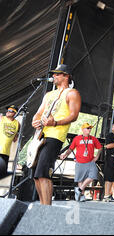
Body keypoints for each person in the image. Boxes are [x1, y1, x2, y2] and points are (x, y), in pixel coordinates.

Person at [31, 64, 81, 205]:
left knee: (44, 173)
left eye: (57, 74)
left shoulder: (72, 93)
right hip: (40, 136)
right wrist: (35, 121)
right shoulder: (49, 95)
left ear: (66, 76)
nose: (54, 76)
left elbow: (74, 115)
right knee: (35, 175)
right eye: (53, 74)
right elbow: (38, 113)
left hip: (55, 136)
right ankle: (42, 206)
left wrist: (55, 123)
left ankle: (47, 209)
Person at [59, 122, 102, 202]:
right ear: (83, 129)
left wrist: (97, 156)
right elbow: (71, 148)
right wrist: (65, 154)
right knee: (80, 180)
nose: (89, 129)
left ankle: (80, 189)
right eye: (87, 128)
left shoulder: (93, 139)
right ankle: (80, 196)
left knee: (93, 174)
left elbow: (100, 148)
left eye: (90, 128)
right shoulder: (77, 138)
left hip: (90, 161)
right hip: (80, 162)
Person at [0, 105, 21, 178]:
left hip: (6, 152)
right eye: (8, 110)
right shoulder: (1, 118)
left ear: (15, 113)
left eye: (11, 111)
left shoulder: (17, 123)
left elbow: (16, 134)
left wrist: (16, 136)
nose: (8, 112)